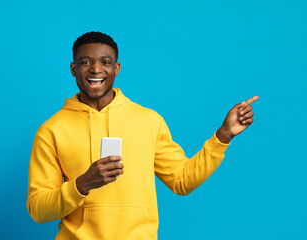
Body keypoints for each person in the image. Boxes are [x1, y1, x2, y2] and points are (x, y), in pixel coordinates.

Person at [26, 31, 258, 239]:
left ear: (116, 68)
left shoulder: (148, 120)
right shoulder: (51, 130)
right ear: (73, 69)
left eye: (105, 62)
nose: (96, 69)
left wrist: (223, 136)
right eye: (86, 62)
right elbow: (38, 209)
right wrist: (82, 185)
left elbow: (182, 181)